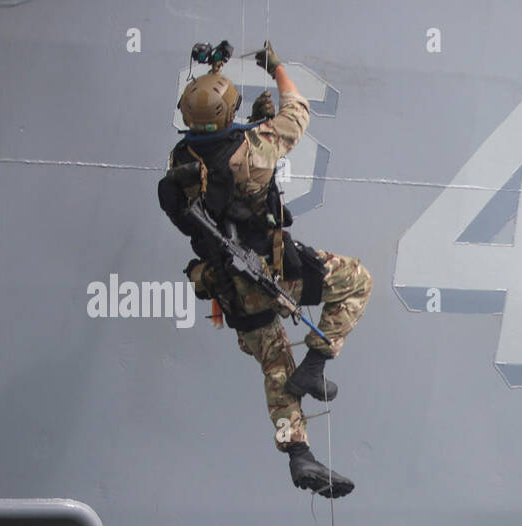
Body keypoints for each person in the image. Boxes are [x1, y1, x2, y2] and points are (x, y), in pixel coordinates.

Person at [158, 41, 370, 498]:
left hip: (229, 285)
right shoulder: (254, 150)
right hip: (274, 269)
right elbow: (298, 109)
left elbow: (213, 159)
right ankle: (315, 364)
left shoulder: (177, 165)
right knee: (356, 281)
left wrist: (247, 122)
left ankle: (298, 454)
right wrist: (276, 68)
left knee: (275, 364)